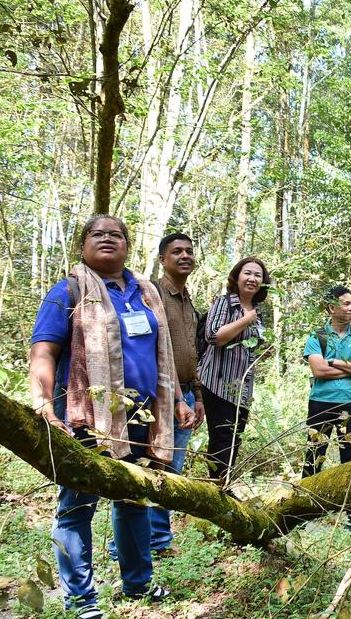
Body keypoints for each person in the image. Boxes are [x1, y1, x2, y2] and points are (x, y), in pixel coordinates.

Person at [29, 215, 185, 619]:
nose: (107, 239)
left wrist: (177, 400)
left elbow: (162, 354)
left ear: (127, 246)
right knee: (77, 504)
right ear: (83, 245)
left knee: (134, 499)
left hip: (142, 416)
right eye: (97, 234)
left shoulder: (145, 292)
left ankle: (138, 584)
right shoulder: (69, 290)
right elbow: (44, 351)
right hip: (86, 416)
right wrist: (43, 403)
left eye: (116, 234)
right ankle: (81, 600)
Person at [109, 233, 205, 559]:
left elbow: (192, 353)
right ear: (163, 259)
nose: (185, 256)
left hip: (185, 394)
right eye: (176, 251)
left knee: (169, 469)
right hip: (155, 395)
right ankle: (126, 545)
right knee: (143, 467)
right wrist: (174, 397)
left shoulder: (189, 302)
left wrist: (196, 397)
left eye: (189, 251)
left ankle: (159, 540)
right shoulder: (149, 295)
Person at [302, 285, 351, 529]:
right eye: (346, 303)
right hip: (321, 402)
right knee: (314, 455)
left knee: (350, 457)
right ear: (332, 308)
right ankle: (302, 512)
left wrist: (332, 361)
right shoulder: (317, 337)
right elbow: (318, 371)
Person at [197, 256, 270, 487]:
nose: (252, 278)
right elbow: (214, 336)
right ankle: (216, 489)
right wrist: (246, 320)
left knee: (234, 439)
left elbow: (252, 345)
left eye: (258, 275)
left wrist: (264, 349)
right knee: (222, 439)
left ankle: (223, 485)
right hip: (218, 382)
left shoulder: (257, 310)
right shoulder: (225, 302)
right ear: (237, 277)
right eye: (247, 273)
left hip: (243, 388)